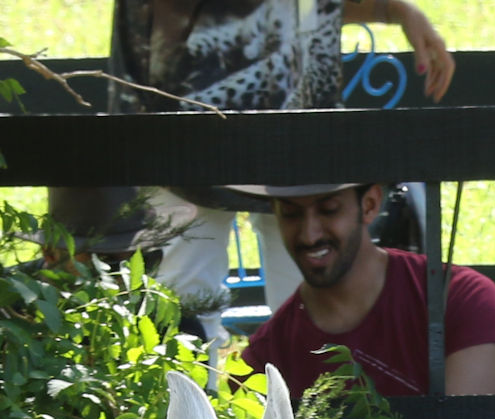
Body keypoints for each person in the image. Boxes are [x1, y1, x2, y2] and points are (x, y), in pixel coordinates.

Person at [50, 0, 461, 322]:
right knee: (183, 312)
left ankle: (306, 410)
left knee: (313, 315)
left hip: (295, 133)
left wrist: (395, 11)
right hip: (185, 129)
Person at [236, 181, 495, 399]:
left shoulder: (463, 297)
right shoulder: (267, 354)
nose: (309, 234)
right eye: (290, 214)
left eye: (329, 210)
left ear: (370, 205)